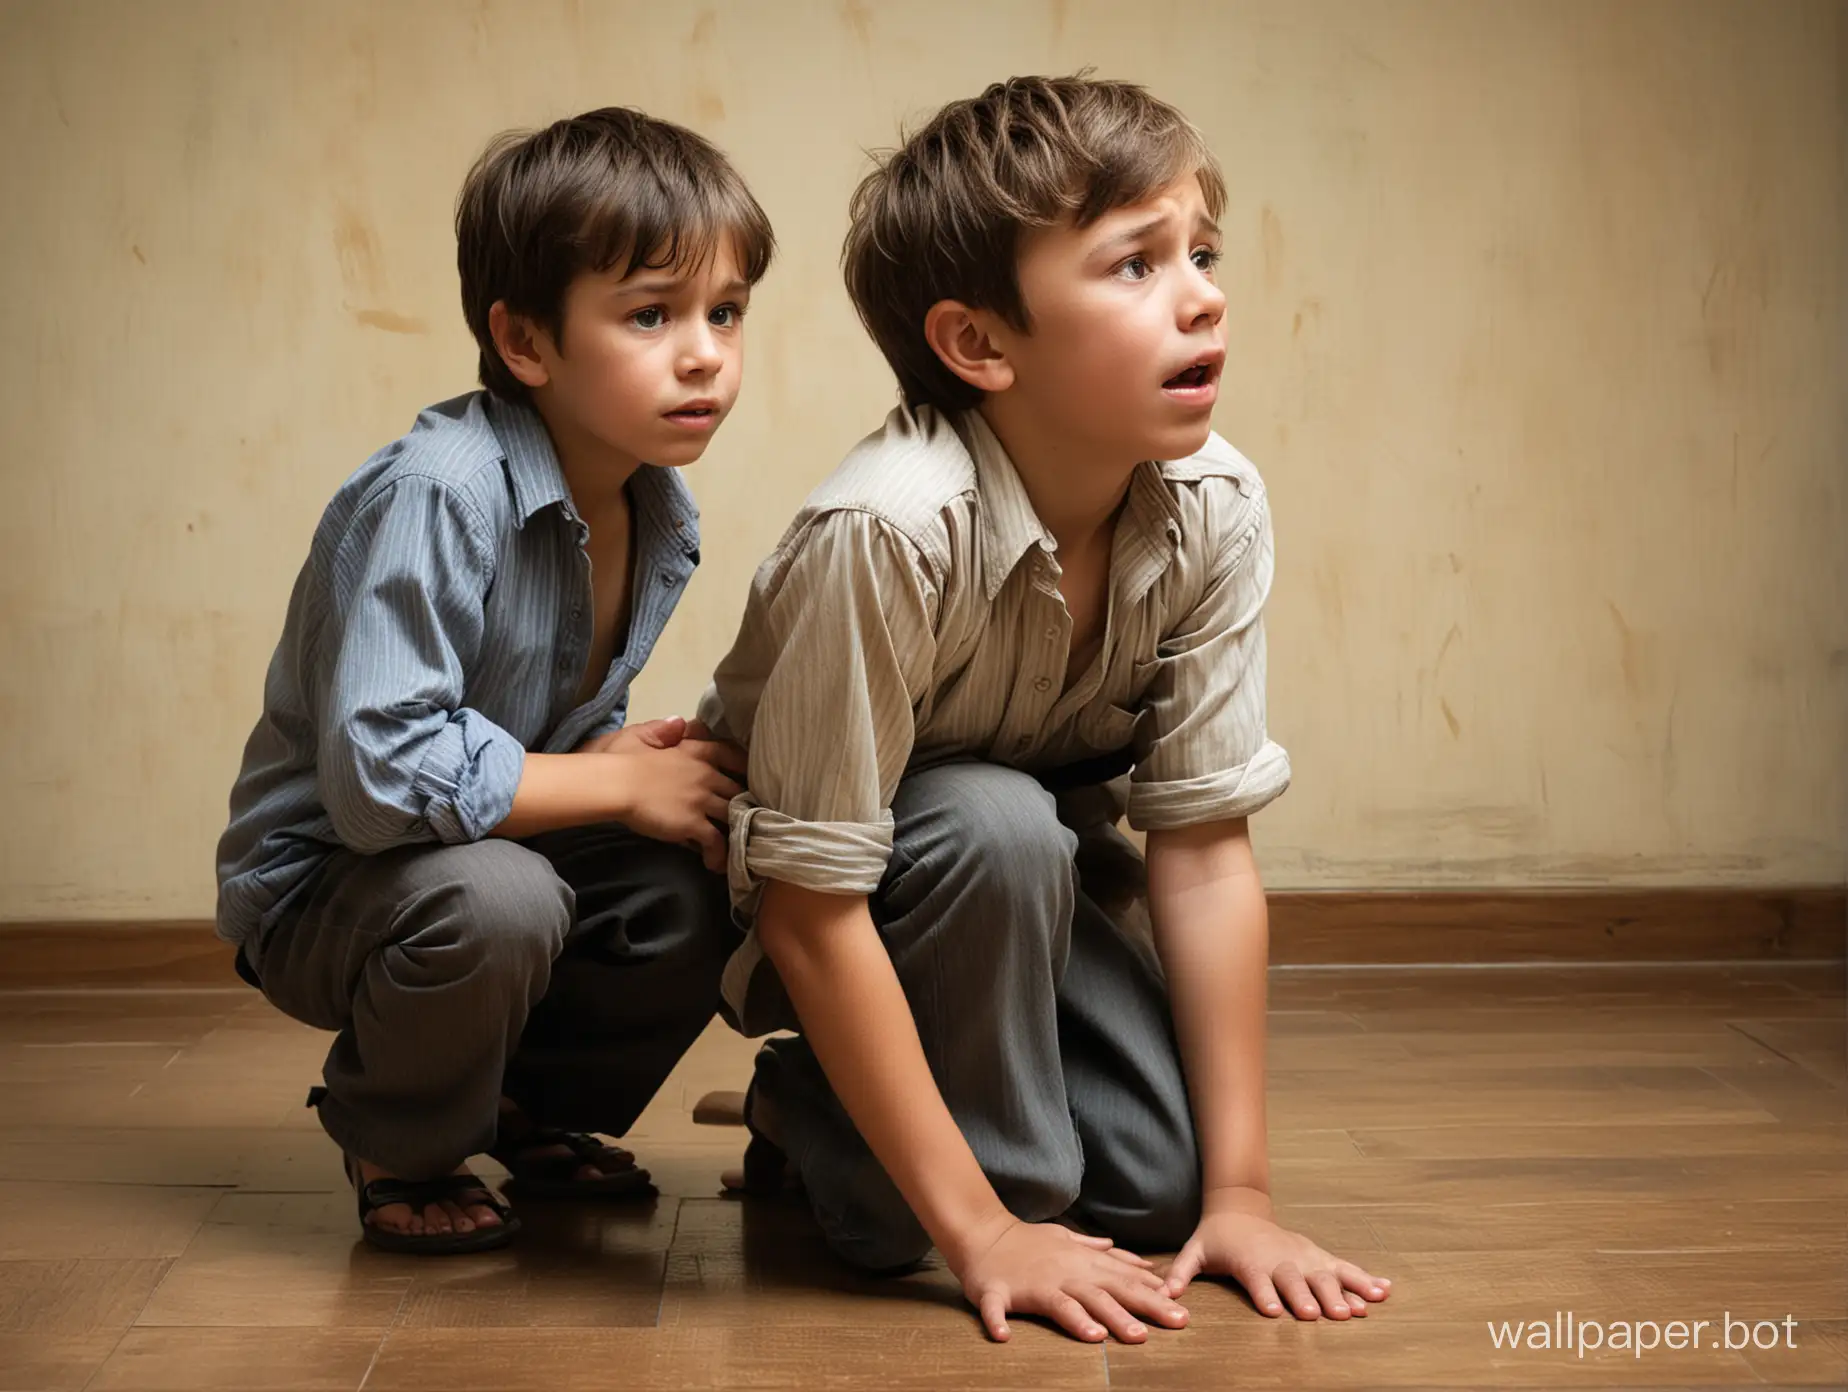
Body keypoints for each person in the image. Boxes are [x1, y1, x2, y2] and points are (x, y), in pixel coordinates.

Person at [698, 75, 1391, 1340]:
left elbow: (1202, 848)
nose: (1204, 293)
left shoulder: (1214, 507)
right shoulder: (888, 532)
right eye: (1135, 265)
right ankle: (813, 1111)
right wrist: (989, 1233)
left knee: (1159, 1191)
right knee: (989, 836)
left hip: (1050, 877)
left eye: (1202, 251)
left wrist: (1241, 1193)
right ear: (980, 345)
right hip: (831, 896)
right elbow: (809, 902)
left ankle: (951, 1136)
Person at [214, 107, 772, 1253]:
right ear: (526, 343)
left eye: (725, 313)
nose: (704, 351)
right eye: (652, 315)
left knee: (708, 855)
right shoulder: (442, 490)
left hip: (478, 848)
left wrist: (618, 765)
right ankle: (400, 1136)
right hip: (332, 879)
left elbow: (548, 724)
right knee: (500, 901)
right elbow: (378, 779)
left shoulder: (658, 504)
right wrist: (608, 790)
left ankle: (527, 1109)